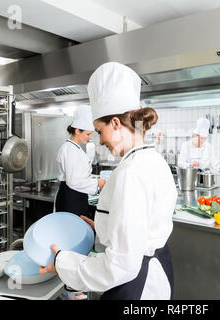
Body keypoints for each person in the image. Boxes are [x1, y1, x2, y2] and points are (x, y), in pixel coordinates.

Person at [40, 62, 177, 300]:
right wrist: (103, 229)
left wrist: (62, 262)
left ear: (115, 123)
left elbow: (121, 265)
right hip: (155, 277)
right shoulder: (153, 159)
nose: (100, 140)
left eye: (99, 130)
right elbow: (139, 229)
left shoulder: (130, 172)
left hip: (135, 285)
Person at [55, 106, 106, 220]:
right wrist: (97, 183)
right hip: (71, 198)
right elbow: (74, 182)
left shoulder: (73, 148)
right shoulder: (70, 149)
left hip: (74, 196)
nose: (90, 137)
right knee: (72, 232)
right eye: (88, 134)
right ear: (77, 131)